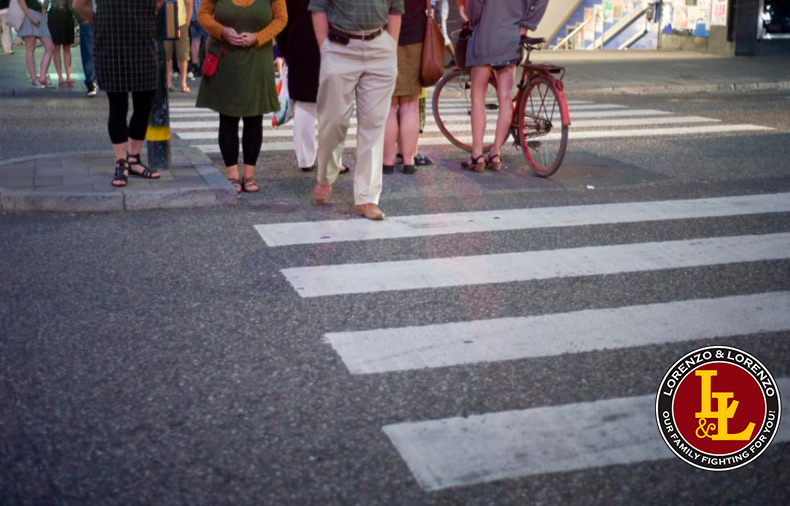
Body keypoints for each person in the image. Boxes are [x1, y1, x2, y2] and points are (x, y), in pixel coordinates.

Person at [309, 0, 403, 221]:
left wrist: (391, 45)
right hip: (340, 46)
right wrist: (325, 49)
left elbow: (396, 9)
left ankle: (367, 197)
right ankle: (326, 176)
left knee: (374, 126)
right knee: (332, 122)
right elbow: (318, 7)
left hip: (379, 46)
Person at [197, 0, 287, 193]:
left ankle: (249, 175)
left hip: (258, 58)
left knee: (254, 118)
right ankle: (232, 174)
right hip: (225, 58)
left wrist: (258, 36)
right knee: (227, 117)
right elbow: (203, 14)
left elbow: (281, 19)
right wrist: (222, 31)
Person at [73, 0, 163, 187]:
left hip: (142, 42)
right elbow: (78, 5)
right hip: (112, 44)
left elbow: (159, 3)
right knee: (118, 106)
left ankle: (134, 159)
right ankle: (121, 162)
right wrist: (99, 20)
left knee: (144, 104)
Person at [462, 0, 547, 172]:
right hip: (511, 39)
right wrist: (527, 25)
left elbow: (474, 11)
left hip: (485, 38)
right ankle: (495, 153)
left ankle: (477, 154)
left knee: (478, 96)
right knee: (506, 97)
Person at [275, 0, 349, 174]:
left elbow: (283, 19)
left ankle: (305, 159)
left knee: (303, 103)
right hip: (331, 42)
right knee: (332, 106)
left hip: (299, 42)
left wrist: (285, 49)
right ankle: (332, 160)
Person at [383, 0, 427, 176]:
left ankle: (387, 161)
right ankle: (409, 160)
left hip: (386, 36)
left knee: (389, 105)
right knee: (411, 104)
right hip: (415, 36)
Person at [16, 0, 55, 88]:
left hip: (38, 14)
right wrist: (31, 17)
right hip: (29, 14)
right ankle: (34, 79)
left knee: (50, 47)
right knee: (30, 47)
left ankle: (42, 78)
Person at [164, 0, 193, 92]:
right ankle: (168, 82)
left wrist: (187, 23)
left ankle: (183, 82)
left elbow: (189, 3)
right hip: (166, 24)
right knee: (166, 55)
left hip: (180, 24)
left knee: (183, 55)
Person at [47, 0, 74, 87]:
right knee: (56, 47)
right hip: (54, 14)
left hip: (67, 13)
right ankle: (60, 77)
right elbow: (45, 3)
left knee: (67, 47)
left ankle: (69, 77)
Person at [73, 0, 97, 97]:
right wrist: (83, 18)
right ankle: (91, 81)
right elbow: (75, 5)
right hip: (89, 21)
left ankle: (92, 81)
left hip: (91, 20)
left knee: (89, 51)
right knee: (89, 51)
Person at [188, 0, 207, 80]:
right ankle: (206, 64)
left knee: (195, 42)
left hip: (193, 17)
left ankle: (196, 66)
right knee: (207, 41)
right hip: (204, 17)